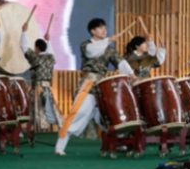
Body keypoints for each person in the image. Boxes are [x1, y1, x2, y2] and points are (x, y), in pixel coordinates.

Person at [55, 17, 134, 156]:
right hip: (88, 85)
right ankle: (59, 147)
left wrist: (131, 74)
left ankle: (117, 143)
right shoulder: (86, 45)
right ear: (93, 31)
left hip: (103, 87)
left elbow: (121, 62)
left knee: (107, 116)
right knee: (79, 113)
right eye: (100, 28)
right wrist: (108, 40)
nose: (104, 30)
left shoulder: (109, 49)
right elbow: (92, 52)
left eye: (105, 28)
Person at [23, 34, 59, 130]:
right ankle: (35, 131)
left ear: (37, 48)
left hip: (37, 89)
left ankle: (32, 131)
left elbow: (24, 47)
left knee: (33, 110)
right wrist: (49, 41)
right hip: (47, 88)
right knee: (44, 109)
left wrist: (24, 33)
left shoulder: (36, 58)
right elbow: (51, 52)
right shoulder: (51, 58)